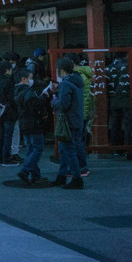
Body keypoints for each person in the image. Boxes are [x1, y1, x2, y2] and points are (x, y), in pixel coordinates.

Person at [47, 57, 85, 189]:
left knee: (68, 150)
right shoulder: (77, 82)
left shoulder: (66, 84)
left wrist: (53, 100)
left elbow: (63, 104)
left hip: (67, 121)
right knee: (64, 149)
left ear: (61, 70)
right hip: (77, 119)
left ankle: (76, 178)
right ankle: (62, 175)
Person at [14, 68, 47, 185]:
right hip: (33, 122)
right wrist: (44, 98)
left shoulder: (17, 91)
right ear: (24, 79)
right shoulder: (28, 92)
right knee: (38, 148)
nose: (32, 80)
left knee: (30, 149)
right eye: (30, 78)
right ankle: (25, 170)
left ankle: (35, 175)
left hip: (23, 122)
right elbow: (34, 105)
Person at [0, 61, 20, 166]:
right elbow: (11, 98)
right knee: (8, 135)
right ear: (7, 70)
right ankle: (7, 158)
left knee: (1, 134)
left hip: (0, 111)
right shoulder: (8, 81)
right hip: (9, 111)